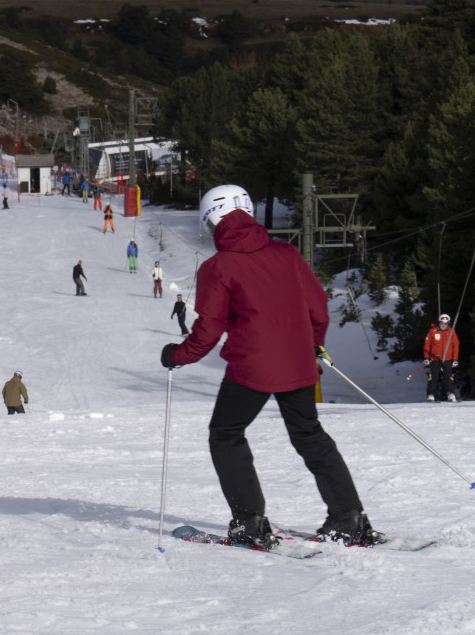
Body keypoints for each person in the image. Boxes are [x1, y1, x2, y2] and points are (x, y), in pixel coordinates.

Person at [159, 184, 383, 547]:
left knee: (226, 434)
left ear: (212, 221)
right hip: (296, 363)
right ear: (247, 212)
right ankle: (349, 519)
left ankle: (249, 521)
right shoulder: (288, 255)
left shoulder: (218, 267)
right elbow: (317, 309)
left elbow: (209, 329)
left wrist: (176, 355)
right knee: (310, 436)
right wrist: (311, 345)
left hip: (253, 367)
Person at [423, 313, 460, 402]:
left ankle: (450, 393)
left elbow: (456, 345)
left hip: (448, 358)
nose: (443, 325)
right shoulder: (433, 331)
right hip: (435, 358)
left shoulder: (451, 331)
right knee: (433, 376)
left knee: (449, 376)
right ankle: (431, 394)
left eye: (445, 324)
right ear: (439, 323)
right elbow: (427, 345)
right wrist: (426, 357)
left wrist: (455, 359)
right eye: (441, 323)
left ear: (448, 324)